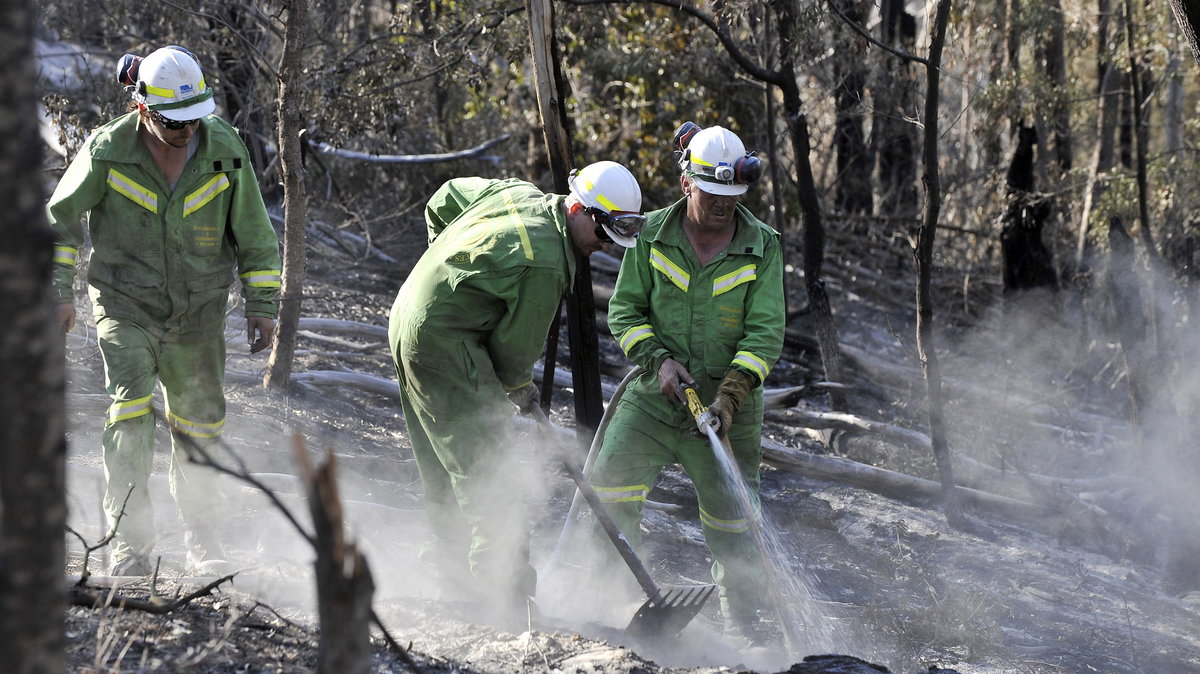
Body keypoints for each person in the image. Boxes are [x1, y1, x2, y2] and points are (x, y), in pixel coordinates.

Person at [47, 46, 281, 576]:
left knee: (199, 428)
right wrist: (59, 291)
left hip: (198, 315)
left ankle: (203, 540)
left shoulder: (223, 147)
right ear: (143, 111)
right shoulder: (108, 150)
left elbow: (255, 233)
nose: (186, 133)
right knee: (129, 416)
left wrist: (262, 303)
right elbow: (60, 222)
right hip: (124, 306)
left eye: (194, 121)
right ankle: (129, 548)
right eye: (175, 125)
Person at [388, 161, 645, 618]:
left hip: (409, 318)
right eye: (604, 234)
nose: (605, 247)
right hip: (447, 344)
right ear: (580, 209)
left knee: (448, 463)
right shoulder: (546, 263)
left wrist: (445, 271)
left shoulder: (519, 194)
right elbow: (512, 356)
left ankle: (449, 578)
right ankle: (506, 600)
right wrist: (519, 388)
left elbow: (444, 198)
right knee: (492, 472)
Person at [587, 123, 785, 644]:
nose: (724, 206)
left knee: (735, 526)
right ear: (686, 184)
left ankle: (745, 632)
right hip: (655, 399)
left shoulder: (762, 247)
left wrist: (732, 397)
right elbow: (625, 310)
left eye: (733, 197)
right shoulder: (649, 234)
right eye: (713, 195)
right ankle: (606, 610)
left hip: (727, 413)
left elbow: (765, 335)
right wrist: (657, 361)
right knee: (609, 492)